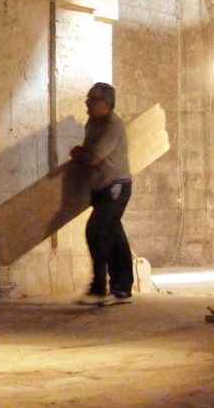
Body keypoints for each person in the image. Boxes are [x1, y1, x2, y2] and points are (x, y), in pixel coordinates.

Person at [70, 82, 133, 304]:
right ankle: (122, 288)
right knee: (114, 235)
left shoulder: (112, 125)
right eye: (87, 98)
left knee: (97, 231)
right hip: (100, 187)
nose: (87, 103)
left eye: (92, 99)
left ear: (106, 103)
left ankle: (99, 289)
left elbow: (92, 157)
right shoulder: (93, 122)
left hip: (116, 186)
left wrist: (79, 154)